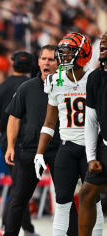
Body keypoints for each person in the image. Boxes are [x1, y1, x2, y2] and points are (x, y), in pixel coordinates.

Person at [3, 45, 79, 236]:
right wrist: (11, 145)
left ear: (59, 62)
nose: (47, 62)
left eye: (51, 59)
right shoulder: (27, 87)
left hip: (60, 149)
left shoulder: (68, 85)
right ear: (38, 62)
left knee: (65, 198)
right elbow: (14, 117)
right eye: (43, 58)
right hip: (29, 149)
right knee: (18, 199)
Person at [34, 32, 103, 236]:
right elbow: (49, 122)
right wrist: (39, 153)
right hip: (67, 146)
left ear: (82, 54)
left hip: (93, 149)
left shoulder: (96, 78)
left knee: (93, 201)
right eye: (62, 53)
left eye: (69, 53)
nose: (63, 57)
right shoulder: (56, 80)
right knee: (62, 201)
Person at [0, 51, 36, 236]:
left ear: (12, 64)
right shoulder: (34, 85)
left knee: (19, 188)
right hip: (32, 142)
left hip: (9, 143)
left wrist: (6, 133)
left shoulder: (1, 88)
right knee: (20, 189)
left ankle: (12, 227)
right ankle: (14, 227)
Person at [77, 32, 107, 236]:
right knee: (86, 194)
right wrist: (91, 157)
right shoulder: (95, 77)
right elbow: (90, 121)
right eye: (102, 42)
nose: (102, 43)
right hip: (105, 144)